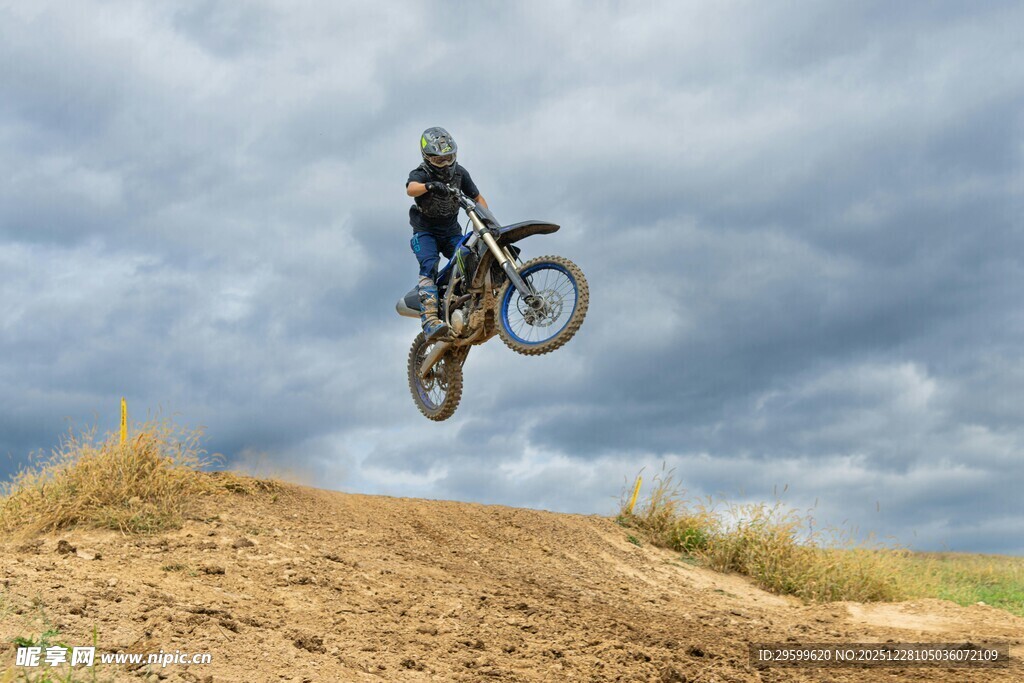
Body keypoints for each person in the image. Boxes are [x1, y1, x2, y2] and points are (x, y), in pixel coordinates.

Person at [406, 127, 489, 341]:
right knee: (429, 263)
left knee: (470, 256)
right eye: (439, 160)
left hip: (451, 231)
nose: (444, 164)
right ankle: (429, 319)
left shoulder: (460, 173)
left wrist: (486, 218)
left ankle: (470, 302)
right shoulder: (421, 173)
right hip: (425, 232)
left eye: (448, 158)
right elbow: (411, 189)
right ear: (427, 158)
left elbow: (478, 198)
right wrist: (429, 186)